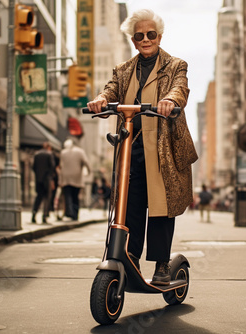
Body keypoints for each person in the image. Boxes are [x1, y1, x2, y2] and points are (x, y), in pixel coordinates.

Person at [86, 9, 198, 285]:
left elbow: (180, 88)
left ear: (159, 36)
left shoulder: (175, 65)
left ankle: (162, 265)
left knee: (161, 205)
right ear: (133, 40)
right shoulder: (123, 70)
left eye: (151, 34)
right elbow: (111, 89)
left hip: (163, 148)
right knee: (130, 204)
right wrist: (101, 99)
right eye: (139, 36)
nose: (145, 39)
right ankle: (130, 257)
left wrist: (170, 101)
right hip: (131, 146)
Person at [59, 139, 90, 221]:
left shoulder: (63, 152)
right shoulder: (80, 152)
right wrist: (89, 171)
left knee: (67, 196)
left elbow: (61, 165)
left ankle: (69, 213)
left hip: (65, 177)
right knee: (75, 196)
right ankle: (75, 214)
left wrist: (60, 179)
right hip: (76, 177)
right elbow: (86, 162)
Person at [31, 142, 55, 224]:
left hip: (38, 180)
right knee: (47, 198)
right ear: (48, 147)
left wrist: (38, 175)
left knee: (38, 197)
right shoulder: (49, 155)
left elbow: (33, 167)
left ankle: (34, 214)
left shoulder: (37, 154)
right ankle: (44, 216)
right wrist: (51, 178)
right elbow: (52, 166)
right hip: (47, 179)